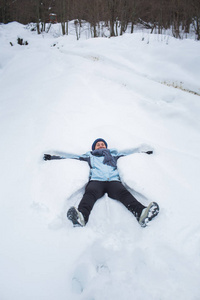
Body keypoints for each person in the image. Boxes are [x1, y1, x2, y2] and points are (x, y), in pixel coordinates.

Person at [43, 138, 159, 228]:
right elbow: (71, 157)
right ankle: (81, 217)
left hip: (113, 181)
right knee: (90, 194)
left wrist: (144, 153)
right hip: (96, 181)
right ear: (94, 147)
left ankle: (142, 213)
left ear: (105, 146)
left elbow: (131, 155)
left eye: (102, 144)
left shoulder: (113, 155)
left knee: (123, 193)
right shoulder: (90, 156)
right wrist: (53, 157)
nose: (100, 145)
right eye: (98, 144)